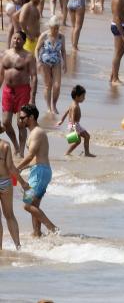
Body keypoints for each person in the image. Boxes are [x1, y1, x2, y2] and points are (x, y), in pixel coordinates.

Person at [16, 104, 58, 236]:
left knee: (27, 205)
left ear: (31, 117)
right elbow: (36, 157)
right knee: (34, 206)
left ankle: (52, 228)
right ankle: (37, 233)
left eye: (22, 118)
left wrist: (17, 168)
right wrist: (25, 167)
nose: (20, 121)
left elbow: (30, 155)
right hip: (38, 170)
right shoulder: (34, 133)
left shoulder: (37, 132)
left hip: (40, 172)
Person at [1, 31, 38, 157]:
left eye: (18, 39)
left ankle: (21, 152)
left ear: (24, 41)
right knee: (5, 122)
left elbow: (34, 77)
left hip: (22, 91)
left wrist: (33, 97)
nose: (15, 41)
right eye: (14, 38)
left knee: (21, 123)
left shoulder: (28, 56)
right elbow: (1, 74)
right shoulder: (5, 54)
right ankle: (15, 145)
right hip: (7, 90)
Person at [34, 16, 67, 115]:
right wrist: (38, 61)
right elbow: (36, 49)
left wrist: (65, 63)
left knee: (57, 85)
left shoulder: (61, 37)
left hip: (56, 61)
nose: (56, 30)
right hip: (44, 62)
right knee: (48, 85)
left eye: (57, 27)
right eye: (54, 28)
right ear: (49, 26)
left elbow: (63, 51)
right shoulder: (44, 35)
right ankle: (48, 107)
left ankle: (54, 105)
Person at [0, 136, 26, 249]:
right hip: (5, 182)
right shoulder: (5, 145)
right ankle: (18, 246)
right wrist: (23, 183)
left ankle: (0, 249)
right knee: (9, 215)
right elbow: (10, 167)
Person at [60, 85, 92, 157]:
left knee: (84, 138)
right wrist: (74, 129)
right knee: (81, 140)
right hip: (74, 125)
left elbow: (67, 111)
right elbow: (72, 118)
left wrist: (61, 120)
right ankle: (69, 153)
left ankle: (84, 153)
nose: (84, 98)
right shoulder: (75, 106)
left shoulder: (73, 104)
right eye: (83, 96)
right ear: (77, 97)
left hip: (73, 125)